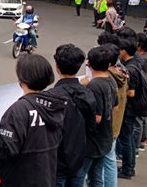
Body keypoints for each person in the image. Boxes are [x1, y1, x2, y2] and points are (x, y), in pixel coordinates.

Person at [0, 54, 67, 187]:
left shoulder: (19, 110)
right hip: (46, 177)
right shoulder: (55, 105)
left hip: (19, 178)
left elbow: (6, 150)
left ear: (21, 79)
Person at [51, 44, 97, 187]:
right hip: (79, 157)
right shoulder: (88, 93)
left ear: (57, 66)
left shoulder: (52, 96)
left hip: (57, 160)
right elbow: (91, 127)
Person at [75, 46, 118, 187]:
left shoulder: (94, 85)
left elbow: (96, 117)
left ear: (89, 64)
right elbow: (115, 106)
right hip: (105, 136)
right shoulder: (111, 80)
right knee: (96, 175)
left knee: (80, 175)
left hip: (92, 140)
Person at [117, 39, 145, 179]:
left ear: (124, 51)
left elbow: (131, 92)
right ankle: (129, 165)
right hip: (134, 107)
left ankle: (128, 168)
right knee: (129, 138)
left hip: (129, 108)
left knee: (126, 138)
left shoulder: (130, 69)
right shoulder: (137, 63)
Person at [103, 43, 128, 187]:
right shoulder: (122, 72)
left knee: (104, 160)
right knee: (109, 158)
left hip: (108, 125)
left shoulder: (109, 79)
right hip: (116, 124)